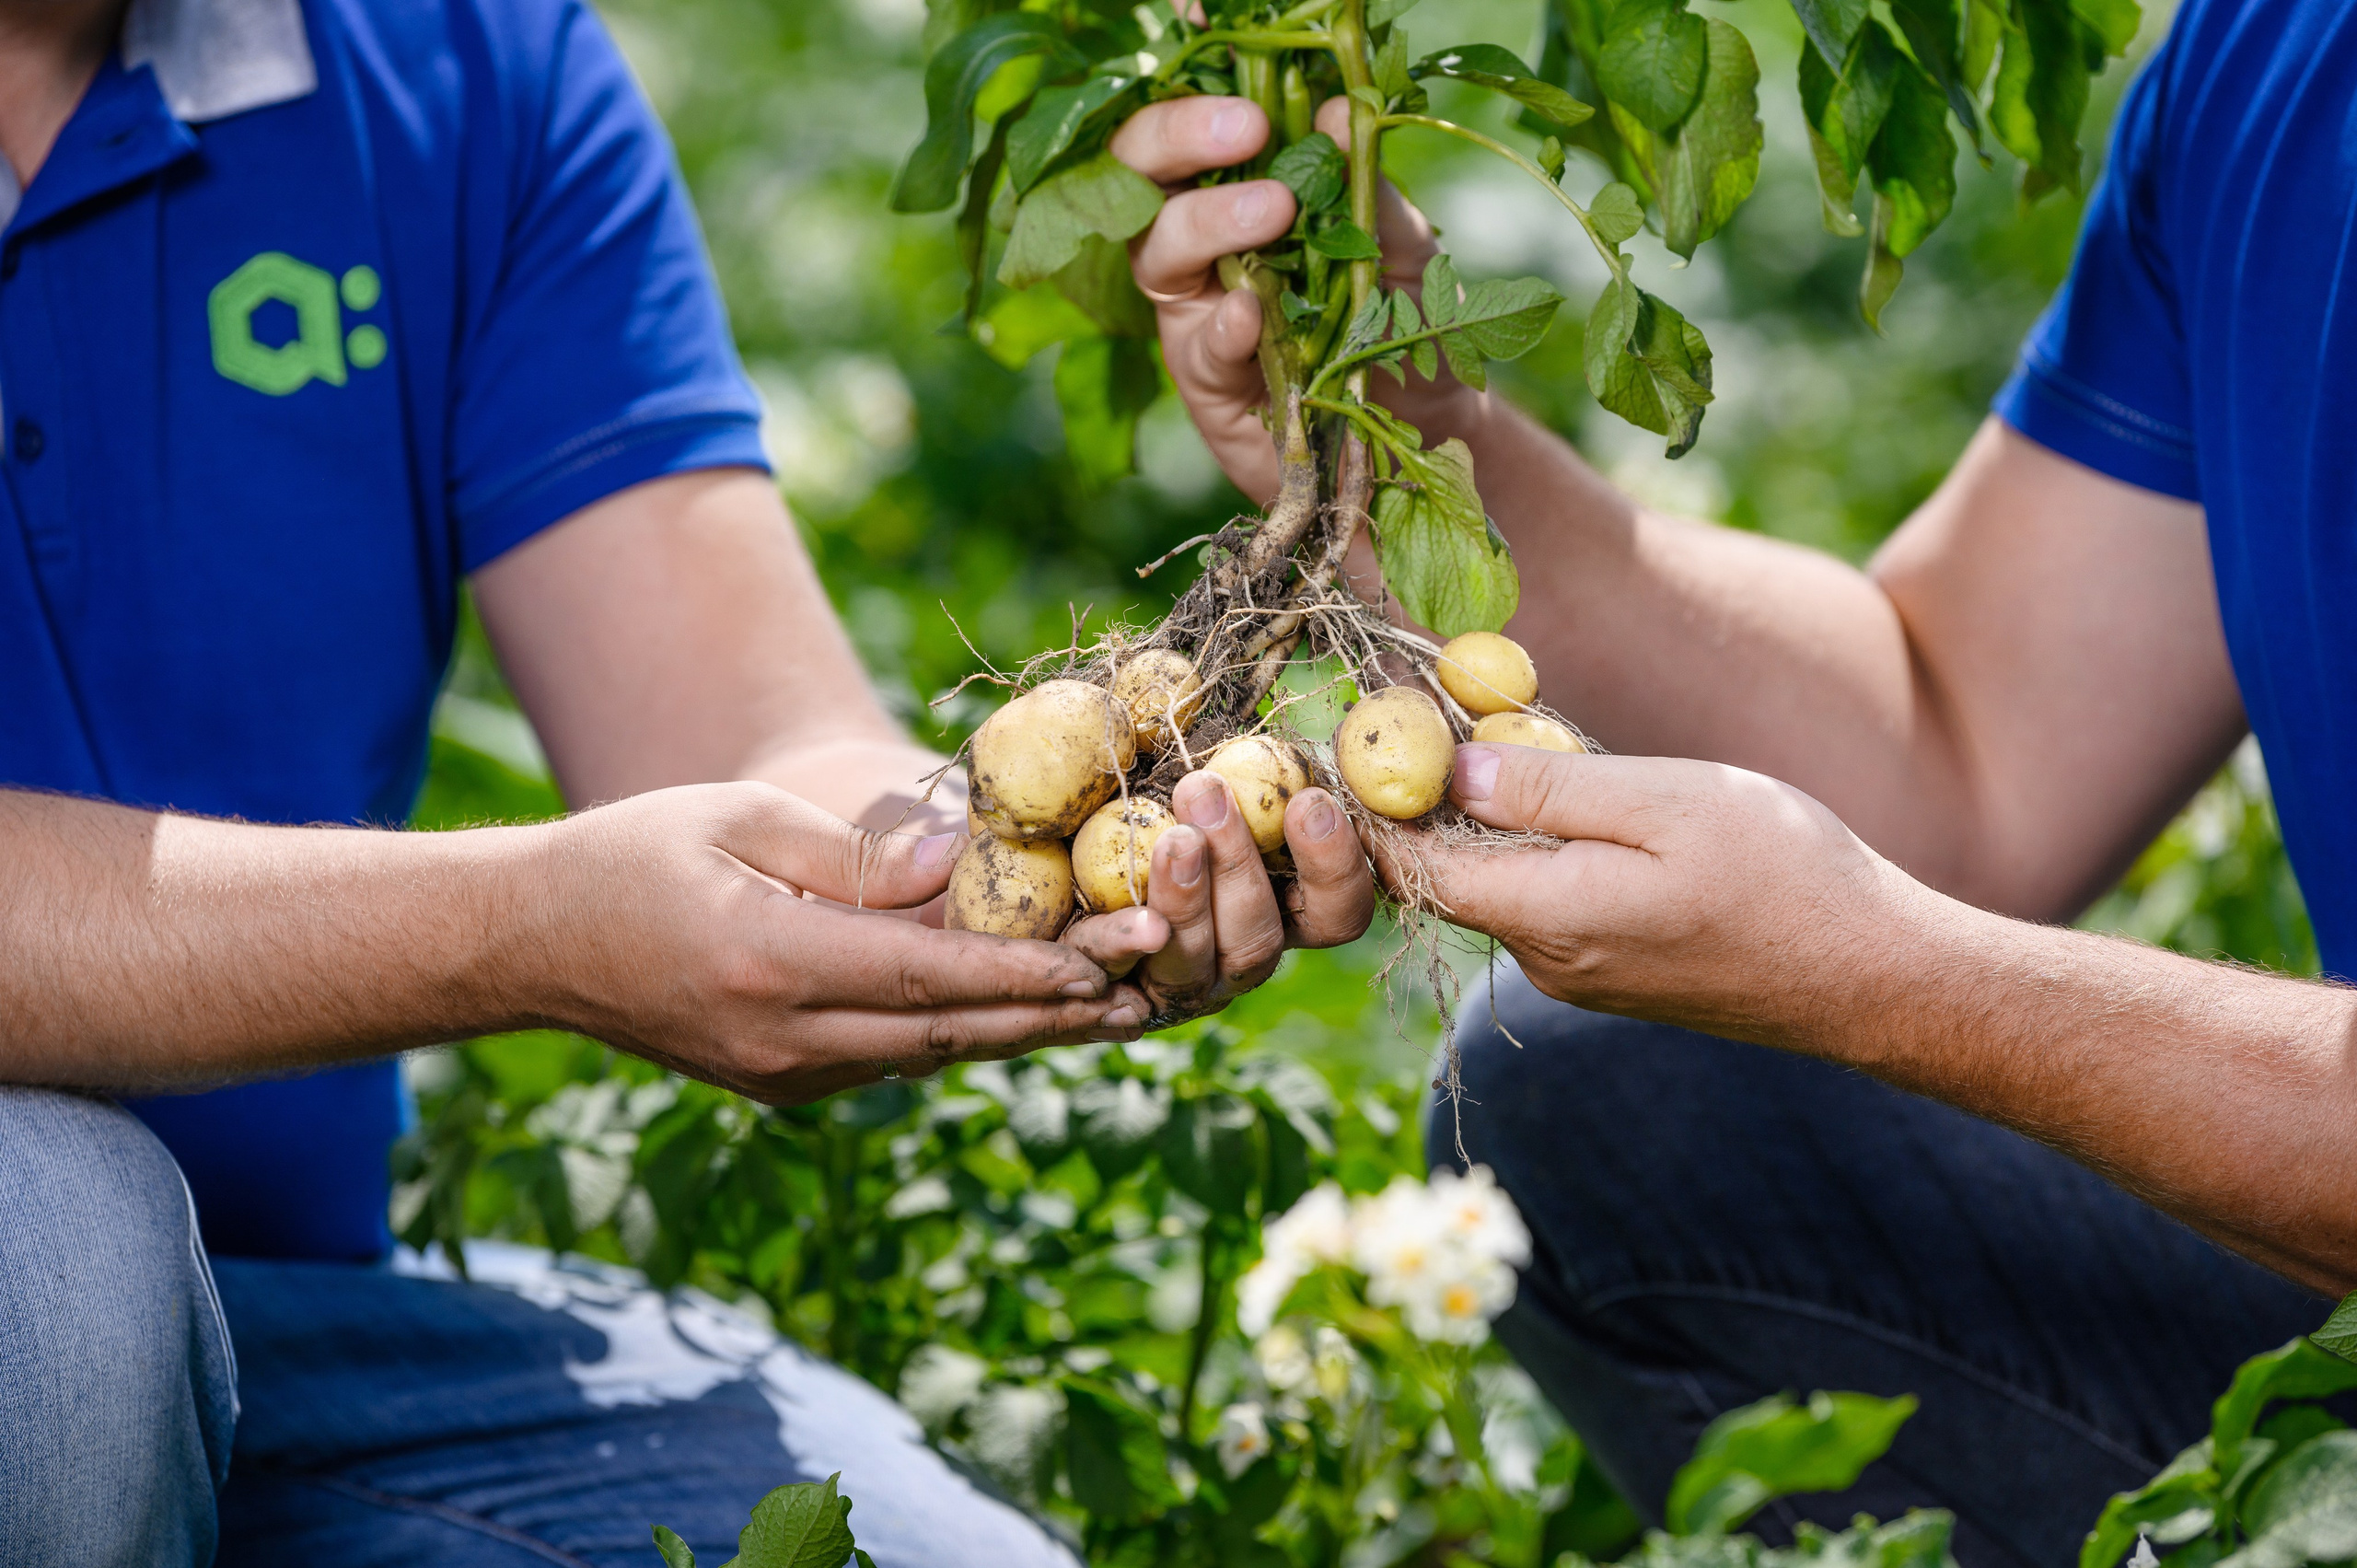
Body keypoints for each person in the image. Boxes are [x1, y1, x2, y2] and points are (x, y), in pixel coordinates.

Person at [0, 0, 1378, 1558]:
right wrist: (523, 929)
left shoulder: (456, 61)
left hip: (313, 1331)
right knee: (59, 1256)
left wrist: (990, 862)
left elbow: (739, 729)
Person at [1116, 0, 2357, 1560]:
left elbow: (1913, 921)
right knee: (1591, 1100)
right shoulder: (2275, 55)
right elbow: (1967, 750)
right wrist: (1411, 443)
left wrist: (1883, 980)